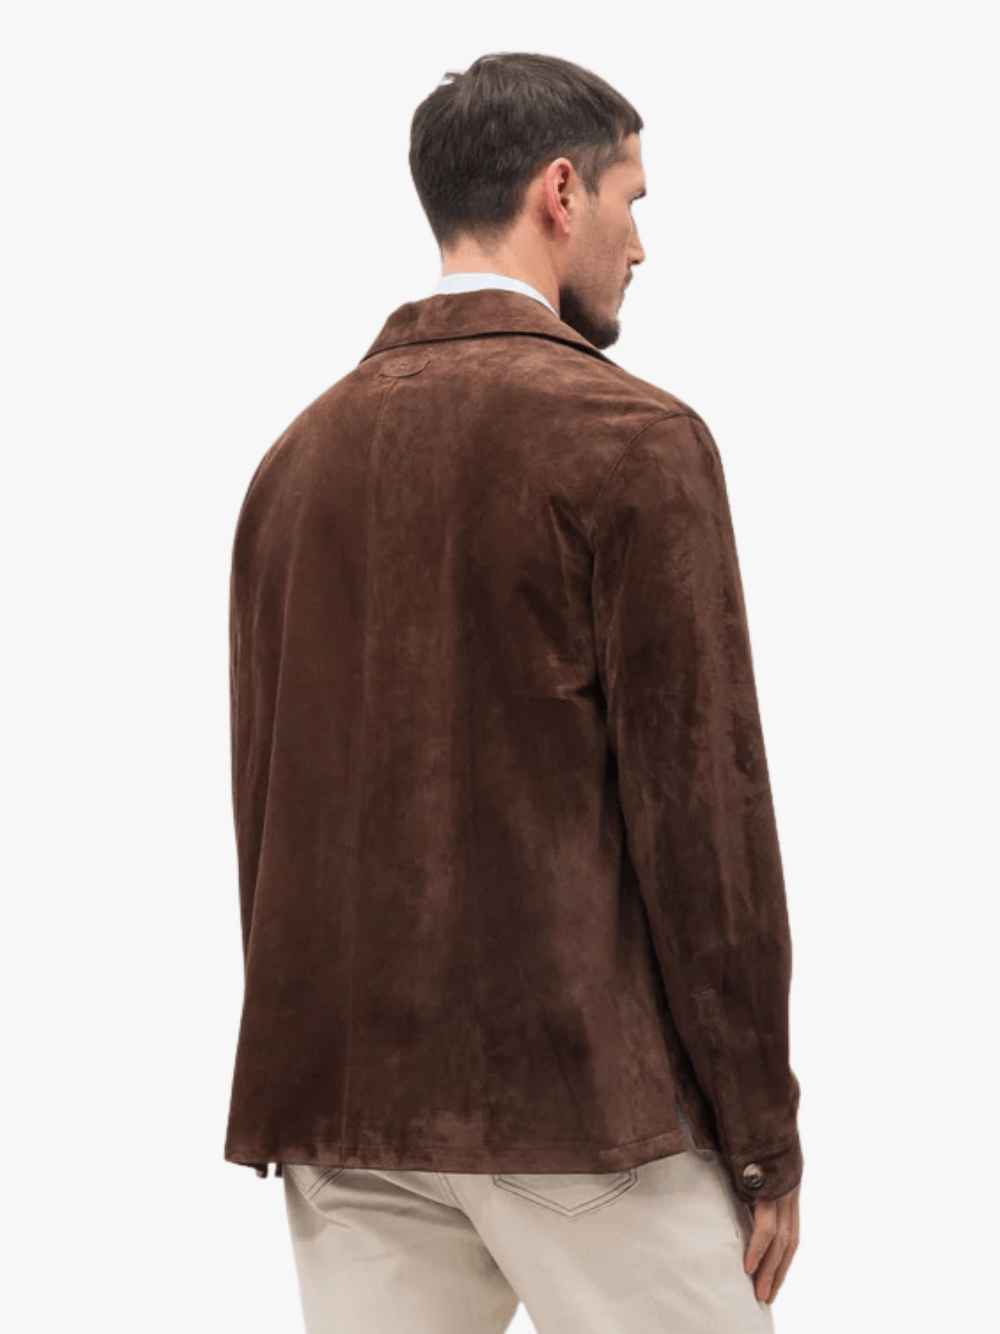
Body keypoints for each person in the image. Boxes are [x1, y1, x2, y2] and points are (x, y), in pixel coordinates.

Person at [224, 50, 803, 1334]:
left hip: (345, 1113)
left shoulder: (294, 461)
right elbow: (703, 817)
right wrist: (761, 1131)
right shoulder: (631, 439)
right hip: (581, 1107)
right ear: (560, 191)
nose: (639, 245)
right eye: (630, 201)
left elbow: (265, 807)